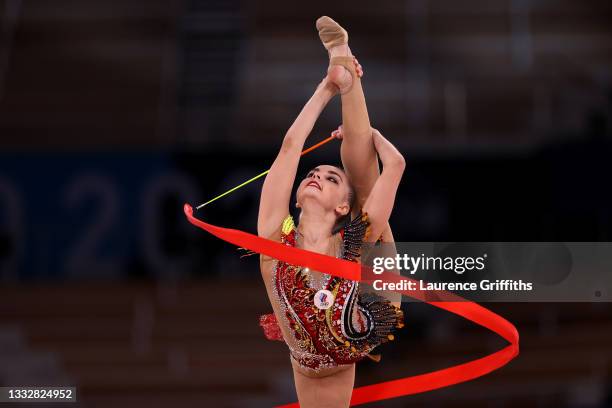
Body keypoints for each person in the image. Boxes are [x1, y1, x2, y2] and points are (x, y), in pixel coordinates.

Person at [257, 16, 405, 408]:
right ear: (297, 196)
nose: (317, 176)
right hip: (314, 364)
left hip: (371, 311)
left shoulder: (354, 238)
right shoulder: (274, 241)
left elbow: (394, 167)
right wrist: (325, 89)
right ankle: (344, 75)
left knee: (366, 189)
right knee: (366, 196)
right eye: (313, 173)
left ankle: (342, 59)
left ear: (341, 204)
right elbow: (290, 148)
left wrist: (385, 152)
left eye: (329, 177)